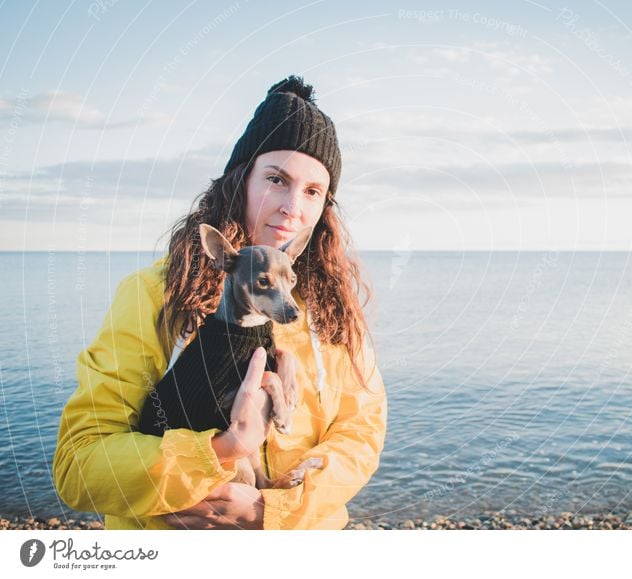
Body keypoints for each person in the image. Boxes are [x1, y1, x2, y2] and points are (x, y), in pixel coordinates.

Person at [53, 76, 387, 530]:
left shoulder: (331, 309)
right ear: (239, 181)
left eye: (313, 191)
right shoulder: (156, 295)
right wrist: (215, 455)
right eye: (276, 179)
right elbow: (79, 465)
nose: (293, 206)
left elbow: (360, 432)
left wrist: (273, 510)